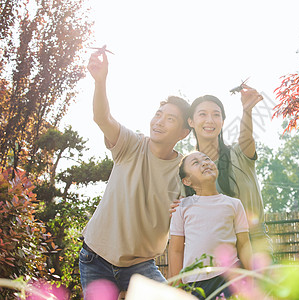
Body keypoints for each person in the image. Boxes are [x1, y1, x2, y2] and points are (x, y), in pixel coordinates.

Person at [79, 49, 191, 296]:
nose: (159, 122)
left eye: (170, 119)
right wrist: (100, 81)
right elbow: (102, 117)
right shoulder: (131, 144)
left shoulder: (185, 170)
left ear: (184, 132)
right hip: (95, 257)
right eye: (158, 115)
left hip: (139, 265)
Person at [186, 89, 271, 253]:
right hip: (216, 250)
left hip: (255, 245)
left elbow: (246, 137)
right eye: (202, 114)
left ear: (223, 122)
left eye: (216, 115)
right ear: (191, 121)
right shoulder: (188, 168)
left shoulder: (239, 154)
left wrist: (247, 110)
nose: (210, 120)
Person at [168, 151, 252, 299]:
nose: (205, 163)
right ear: (187, 181)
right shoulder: (181, 207)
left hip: (229, 276)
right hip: (195, 282)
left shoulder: (234, 204)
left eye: (207, 159)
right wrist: (177, 286)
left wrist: (253, 278)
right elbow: (175, 250)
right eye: (196, 162)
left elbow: (244, 244)